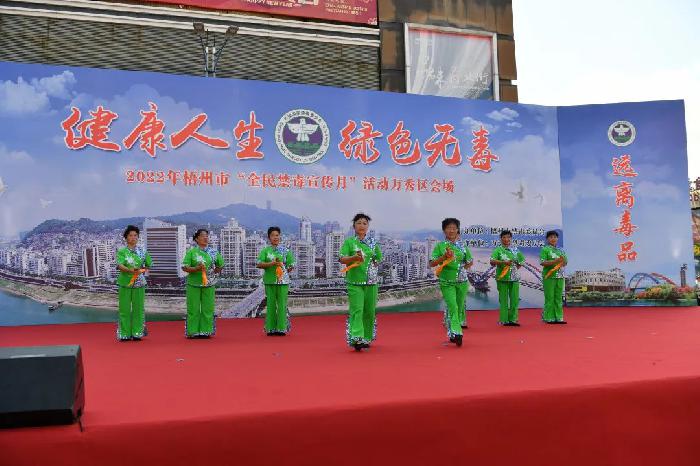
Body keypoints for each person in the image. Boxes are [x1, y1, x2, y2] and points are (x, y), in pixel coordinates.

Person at [338, 213, 382, 351]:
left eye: (364, 223)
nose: (362, 225)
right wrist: (354, 258)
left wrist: (373, 262)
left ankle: (366, 338)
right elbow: (342, 259)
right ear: (354, 226)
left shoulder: (373, 243)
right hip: (354, 282)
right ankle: (357, 338)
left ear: (368, 226)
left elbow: (378, 258)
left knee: (369, 311)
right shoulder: (349, 242)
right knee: (357, 310)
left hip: (371, 282)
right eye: (359, 223)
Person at [430, 218, 473, 347]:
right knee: (453, 306)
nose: (451, 230)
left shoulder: (463, 246)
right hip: (447, 282)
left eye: (454, 228)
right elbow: (432, 263)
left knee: (459, 308)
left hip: (462, 282)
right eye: (448, 228)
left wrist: (462, 268)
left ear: (457, 230)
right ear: (444, 230)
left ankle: (452, 333)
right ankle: (457, 333)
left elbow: (469, 261)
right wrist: (444, 257)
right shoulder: (440, 246)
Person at [181, 229, 224, 338]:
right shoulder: (191, 252)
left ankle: (206, 331)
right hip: (193, 284)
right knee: (193, 308)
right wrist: (196, 269)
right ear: (197, 239)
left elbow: (220, 265)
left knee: (208, 308)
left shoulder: (213, 252)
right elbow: (184, 267)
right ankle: (192, 331)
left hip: (208, 284)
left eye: (207, 236)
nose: (205, 238)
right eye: (203, 236)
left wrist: (213, 272)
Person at [115, 225, 152, 341]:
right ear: (126, 237)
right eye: (130, 235)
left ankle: (137, 333)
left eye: (135, 235)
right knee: (124, 309)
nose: (133, 237)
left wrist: (141, 270)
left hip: (139, 283)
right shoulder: (122, 251)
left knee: (138, 309)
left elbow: (149, 265)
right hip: (125, 283)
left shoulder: (143, 251)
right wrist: (130, 270)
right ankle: (124, 334)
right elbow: (119, 265)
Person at [257, 226, 295, 336]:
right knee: (271, 304)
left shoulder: (286, 251)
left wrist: (283, 270)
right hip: (270, 281)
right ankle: (271, 328)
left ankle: (281, 328)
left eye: (277, 235)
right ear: (269, 237)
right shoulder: (265, 251)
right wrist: (272, 264)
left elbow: (291, 265)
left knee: (282, 304)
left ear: (280, 236)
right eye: (273, 235)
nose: (275, 237)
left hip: (283, 282)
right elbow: (259, 264)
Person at [490, 230, 525, 326]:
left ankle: (513, 319)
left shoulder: (515, 250)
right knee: (503, 300)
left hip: (514, 279)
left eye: (508, 237)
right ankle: (504, 320)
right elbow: (492, 261)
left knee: (514, 299)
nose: (506, 239)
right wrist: (503, 263)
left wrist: (515, 268)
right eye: (504, 237)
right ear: (501, 239)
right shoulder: (498, 250)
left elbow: (521, 261)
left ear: (511, 238)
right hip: (502, 278)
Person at [540, 230, 568, 324]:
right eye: (551, 237)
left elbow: (565, 262)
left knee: (558, 297)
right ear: (547, 239)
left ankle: (559, 317)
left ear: (557, 238)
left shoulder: (561, 250)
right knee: (550, 297)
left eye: (555, 237)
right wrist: (555, 261)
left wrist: (562, 262)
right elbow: (542, 262)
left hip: (560, 276)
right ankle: (548, 317)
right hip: (549, 276)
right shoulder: (545, 249)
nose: (553, 239)